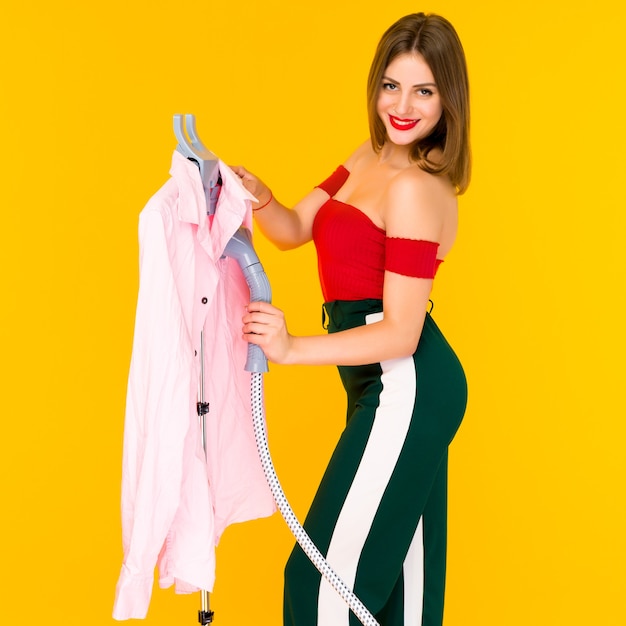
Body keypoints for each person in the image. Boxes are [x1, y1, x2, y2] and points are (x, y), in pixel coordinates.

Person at [234, 12, 470, 626]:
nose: (403, 105)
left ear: (449, 100)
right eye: (392, 84)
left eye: (424, 90)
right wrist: (258, 196)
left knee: (320, 587)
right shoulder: (366, 154)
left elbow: (400, 332)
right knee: (397, 600)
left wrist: (290, 348)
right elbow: (292, 230)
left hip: (406, 384)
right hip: (383, 383)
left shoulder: (417, 190)